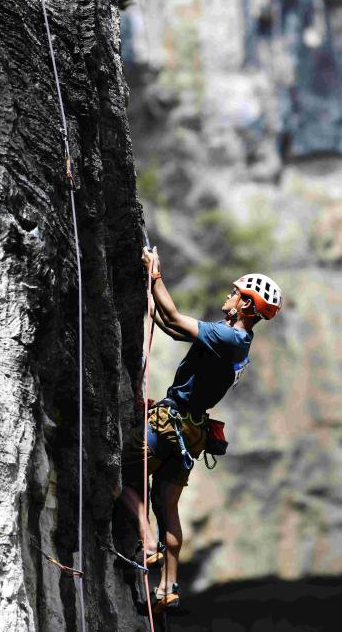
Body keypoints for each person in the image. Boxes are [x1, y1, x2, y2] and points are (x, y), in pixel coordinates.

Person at [120, 246, 282, 613]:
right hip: (192, 433)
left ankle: (148, 545)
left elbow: (175, 319)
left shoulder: (229, 338)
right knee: (167, 505)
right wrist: (148, 295)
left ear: (247, 305)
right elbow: (169, 326)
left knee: (124, 477)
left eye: (235, 293)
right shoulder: (236, 342)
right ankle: (168, 587)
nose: (228, 296)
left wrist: (155, 274)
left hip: (170, 423)